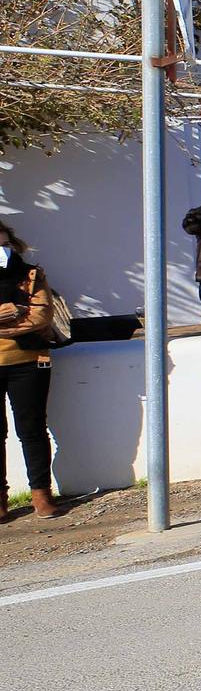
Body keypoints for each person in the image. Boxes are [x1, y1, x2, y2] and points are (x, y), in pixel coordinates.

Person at [0, 219, 62, 520]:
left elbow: (41, 317)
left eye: (4, 244)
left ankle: (41, 494)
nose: (2, 250)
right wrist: (13, 311)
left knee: (32, 429)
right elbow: (26, 315)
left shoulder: (31, 274)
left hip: (29, 361)